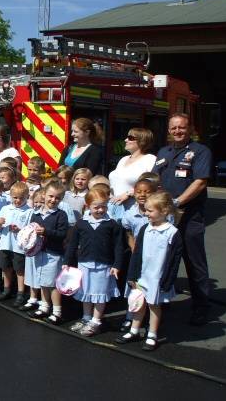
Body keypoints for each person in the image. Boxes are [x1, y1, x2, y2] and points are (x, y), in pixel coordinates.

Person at [153, 113, 212, 326]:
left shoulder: (200, 151)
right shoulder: (163, 152)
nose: (178, 131)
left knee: (194, 263)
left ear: (190, 129)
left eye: (182, 127)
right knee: (163, 260)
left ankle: (201, 307)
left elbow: (200, 182)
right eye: (174, 128)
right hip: (163, 217)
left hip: (189, 217)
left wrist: (176, 203)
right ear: (169, 130)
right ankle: (163, 299)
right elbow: (154, 180)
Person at [117, 192, 183, 351]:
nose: (146, 213)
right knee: (138, 304)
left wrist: (168, 281)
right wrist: (132, 275)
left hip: (157, 278)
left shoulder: (172, 232)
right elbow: (137, 253)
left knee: (154, 306)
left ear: (164, 211)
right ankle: (134, 330)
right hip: (142, 276)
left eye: (150, 211)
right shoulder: (145, 228)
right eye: (146, 210)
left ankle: (152, 333)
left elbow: (174, 260)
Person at [64, 188, 124, 337]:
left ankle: (96, 321)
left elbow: (119, 247)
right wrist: (67, 261)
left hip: (104, 266)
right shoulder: (81, 224)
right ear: (87, 206)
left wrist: (117, 265)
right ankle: (86, 317)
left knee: (99, 294)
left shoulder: (112, 225)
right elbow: (72, 244)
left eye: (103, 206)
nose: (100, 210)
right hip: (84, 264)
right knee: (86, 293)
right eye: (96, 206)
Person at [25, 182, 69, 323]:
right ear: (44, 195)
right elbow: (30, 230)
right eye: (50, 196)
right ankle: (44, 306)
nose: (53, 200)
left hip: (53, 254)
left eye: (57, 198)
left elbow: (62, 234)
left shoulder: (61, 215)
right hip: (39, 252)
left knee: (53, 284)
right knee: (43, 282)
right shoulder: (36, 213)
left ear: (61, 199)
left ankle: (57, 311)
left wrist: (46, 232)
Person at [0, 182, 33, 305]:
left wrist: (19, 230)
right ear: (11, 196)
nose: (17, 200)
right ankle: (7, 289)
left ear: (27, 197)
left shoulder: (29, 211)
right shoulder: (5, 209)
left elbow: (30, 231)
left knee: (19, 270)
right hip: (5, 244)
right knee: (6, 267)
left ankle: (21, 293)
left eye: (21, 198)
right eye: (15, 197)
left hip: (19, 247)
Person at [109, 128, 157, 209]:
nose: (125, 140)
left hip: (134, 208)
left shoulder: (150, 159)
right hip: (114, 207)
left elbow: (151, 182)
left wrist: (129, 193)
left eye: (130, 138)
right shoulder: (123, 159)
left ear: (142, 141)